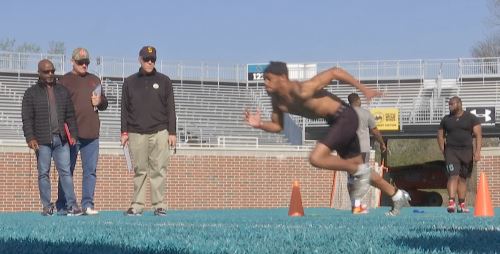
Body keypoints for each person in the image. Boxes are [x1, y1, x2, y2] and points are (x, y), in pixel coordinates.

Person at [245, 61, 411, 216]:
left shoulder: (303, 89)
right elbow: (277, 126)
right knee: (359, 168)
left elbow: (334, 72)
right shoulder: (277, 101)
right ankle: (396, 195)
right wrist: (259, 124)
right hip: (335, 121)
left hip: (345, 116)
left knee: (316, 158)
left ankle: (360, 173)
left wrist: (363, 89)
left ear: (282, 78)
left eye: (269, 79)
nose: (265, 83)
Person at [21, 59, 83, 216]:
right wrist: (30, 138)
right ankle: (47, 206)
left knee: (66, 172)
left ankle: (72, 205)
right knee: (43, 173)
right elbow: (27, 118)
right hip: (42, 141)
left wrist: (74, 135)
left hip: (61, 140)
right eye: (46, 72)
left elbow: (70, 115)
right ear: (39, 73)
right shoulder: (30, 93)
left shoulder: (62, 91)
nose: (50, 74)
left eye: (52, 71)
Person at [120, 46, 177, 216]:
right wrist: (124, 132)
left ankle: (159, 205)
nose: (150, 62)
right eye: (146, 59)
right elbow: (124, 109)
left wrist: (172, 132)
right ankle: (137, 205)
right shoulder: (129, 82)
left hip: (160, 131)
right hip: (136, 132)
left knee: (158, 169)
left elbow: (171, 108)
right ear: (140, 60)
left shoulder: (164, 80)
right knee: (140, 170)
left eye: (153, 59)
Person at [55, 48, 108, 216]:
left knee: (90, 171)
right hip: (71, 134)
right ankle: (63, 205)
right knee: (66, 171)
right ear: (72, 61)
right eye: (80, 62)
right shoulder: (64, 81)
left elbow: (105, 104)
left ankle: (87, 204)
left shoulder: (94, 79)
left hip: (92, 133)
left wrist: (99, 101)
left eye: (86, 62)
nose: (84, 65)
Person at [437, 96, 482, 213]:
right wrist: (443, 150)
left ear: (459, 104)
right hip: (451, 151)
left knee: (462, 179)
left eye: (452, 104)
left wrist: (477, 152)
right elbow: (440, 135)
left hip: (467, 152)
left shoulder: (471, 118)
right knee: (453, 176)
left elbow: (478, 135)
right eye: (449, 104)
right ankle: (451, 202)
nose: (450, 106)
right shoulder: (446, 119)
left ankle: (462, 204)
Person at [347, 92, 387, 214]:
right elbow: (375, 131)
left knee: (350, 177)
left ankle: (354, 204)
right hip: (362, 148)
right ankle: (357, 205)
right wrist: (382, 143)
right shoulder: (365, 113)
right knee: (361, 176)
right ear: (358, 100)